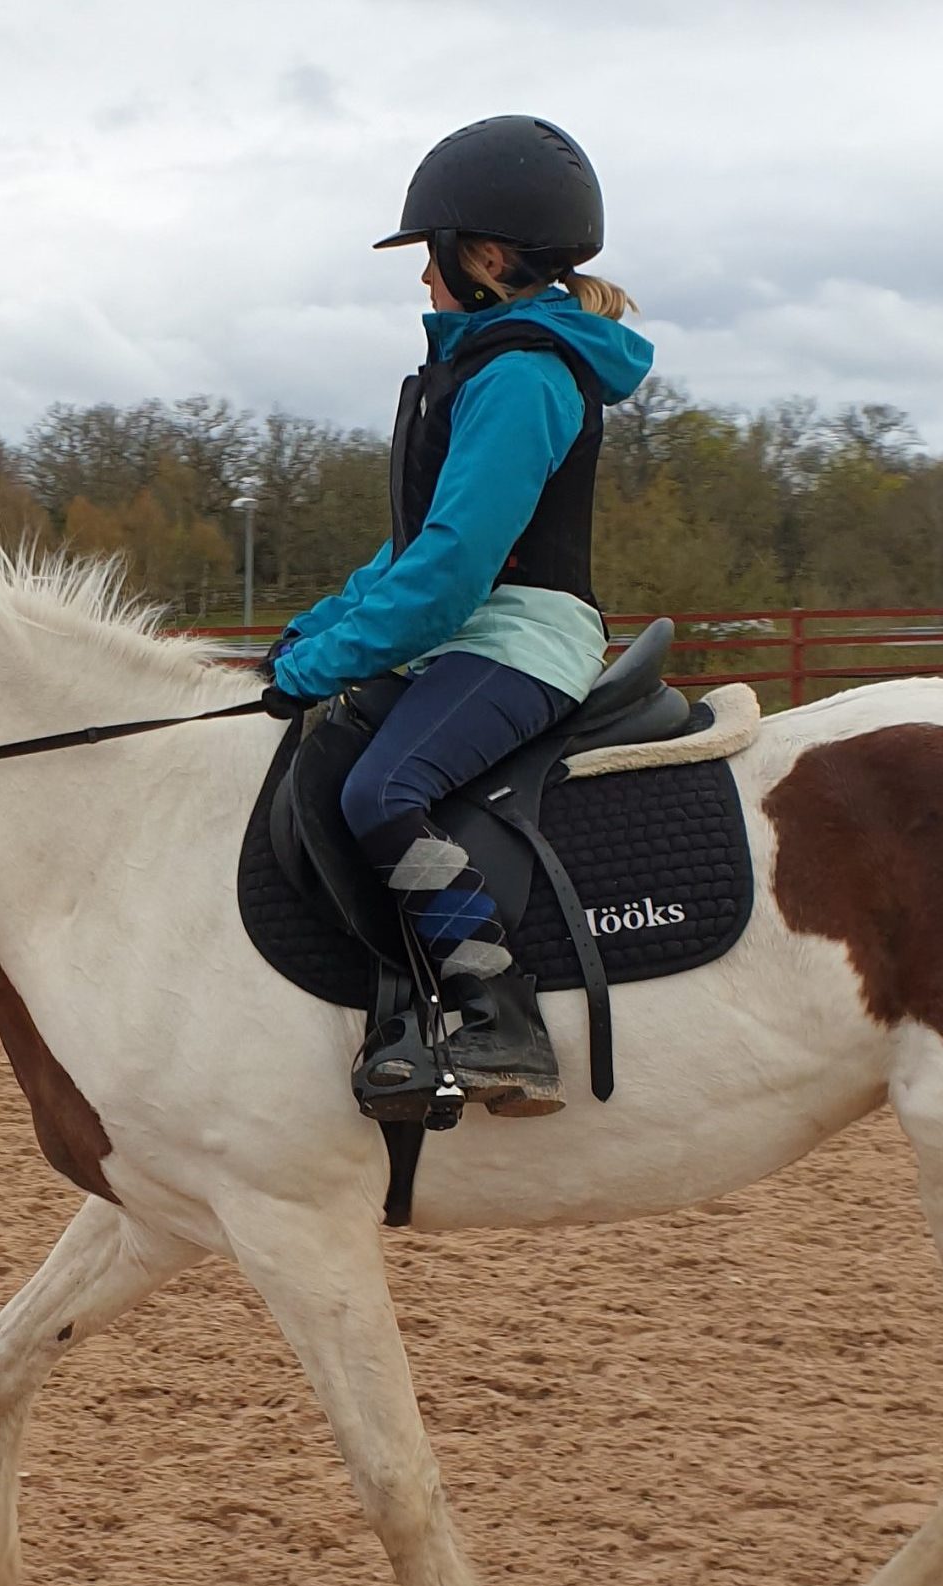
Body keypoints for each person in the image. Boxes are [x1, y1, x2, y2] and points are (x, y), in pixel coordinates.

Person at [258, 115, 653, 1110]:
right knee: (327, 758)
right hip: (476, 627)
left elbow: (451, 570)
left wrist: (322, 661)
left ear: (480, 257)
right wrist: (317, 629)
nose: (421, 282)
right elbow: (407, 549)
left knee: (383, 791)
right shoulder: (477, 369)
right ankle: (389, 1001)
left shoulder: (522, 376)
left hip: (521, 637)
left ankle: (497, 1015)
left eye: (429, 260)